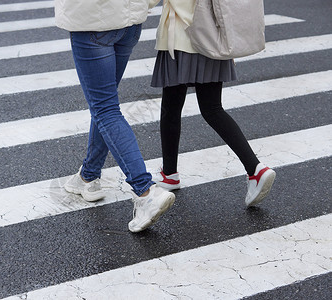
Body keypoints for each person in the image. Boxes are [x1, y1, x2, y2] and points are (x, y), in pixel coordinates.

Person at [54, 0, 175, 232]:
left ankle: (145, 190)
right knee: (104, 105)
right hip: (129, 22)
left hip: (92, 21)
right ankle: (88, 175)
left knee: (105, 108)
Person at [150, 0, 276, 207]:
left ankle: (170, 174)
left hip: (184, 34)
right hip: (213, 34)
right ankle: (255, 169)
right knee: (212, 108)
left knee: (171, 107)